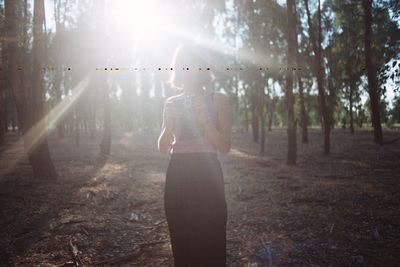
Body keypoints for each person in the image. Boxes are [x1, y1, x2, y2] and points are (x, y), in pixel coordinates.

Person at [157, 44, 231, 267]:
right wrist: (169, 125)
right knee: (183, 241)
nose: (188, 70)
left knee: (212, 237)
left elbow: (225, 146)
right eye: (183, 66)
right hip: (178, 174)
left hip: (208, 173)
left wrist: (204, 121)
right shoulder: (171, 103)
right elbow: (162, 147)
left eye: (193, 65)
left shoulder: (219, 100)